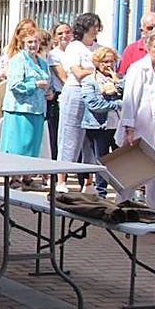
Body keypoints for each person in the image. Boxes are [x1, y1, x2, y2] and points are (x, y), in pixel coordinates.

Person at [118, 29, 155, 207]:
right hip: (141, 131)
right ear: (149, 48)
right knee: (132, 178)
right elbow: (129, 100)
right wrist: (129, 129)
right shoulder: (139, 69)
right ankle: (120, 211)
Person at [0, 29, 51, 176]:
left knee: (32, 147)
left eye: (36, 41)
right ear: (23, 43)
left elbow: (48, 82)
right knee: (18, 146)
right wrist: (35, 85)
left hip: (38, 109)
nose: (33, 45)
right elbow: (14, 85)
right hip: (20, 109)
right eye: (30, 42)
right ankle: (14, 177)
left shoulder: (42, 62)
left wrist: (49, 92)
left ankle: (27, 177)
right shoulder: (18, 60)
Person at [57, 13, 102, 177]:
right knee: (70, 136)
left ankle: (87, 180)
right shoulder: (74, 47)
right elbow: (78, 73)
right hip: (76, 92)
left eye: (97, 26)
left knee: (90, 139)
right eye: (92, 26)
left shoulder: (98, 48)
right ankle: (61, 178)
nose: (95, 30)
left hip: (94, 93)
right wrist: (96, 71)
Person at [81, 46, 123, 197]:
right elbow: (93, 104)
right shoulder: (89, 81)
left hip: (118, 126)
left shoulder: (120, 79)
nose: (108, 65)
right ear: (97, 63)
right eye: (104, 62)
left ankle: (123, 193)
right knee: (101, 160)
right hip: (99, 126)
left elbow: (130, 97)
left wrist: (118, 82)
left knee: (121, 161)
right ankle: (101, 193)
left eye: (111, 61)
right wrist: (117, 104)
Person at [46, 20, 73, 159]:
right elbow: (64, 78)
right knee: (57, 135)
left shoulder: (76, 51)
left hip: (76, 96)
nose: (64, 36)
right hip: (60, 97)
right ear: (55, 36)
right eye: (60, 33)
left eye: (67, 32)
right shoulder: (54, 55)